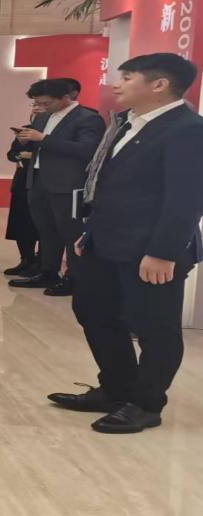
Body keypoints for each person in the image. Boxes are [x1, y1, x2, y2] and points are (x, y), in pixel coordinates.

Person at [49, 53, 203, 434]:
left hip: (151, 249)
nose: (116, 85)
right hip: (106, 241)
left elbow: (186, 197)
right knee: (94, 310)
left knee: (155, 326)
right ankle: (117, 388)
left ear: (159, 84)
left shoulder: (187, 129)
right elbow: (108, 186)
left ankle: (146, 403)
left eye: (127, 77)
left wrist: (163, 251)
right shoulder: (129, 124)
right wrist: (89, 232)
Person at [9, 79, 105, 296]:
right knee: (46, 229)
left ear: (66, 97)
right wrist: (25, 140)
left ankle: (74, 277)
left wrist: (43, 138)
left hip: (67, 183)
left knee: (70, 233)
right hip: (38, 180)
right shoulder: (43, 117)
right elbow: (39, 145)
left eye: (46, 103)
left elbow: (87, 150)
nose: (41, 107)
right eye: (38, 103)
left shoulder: (88, 118)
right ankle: (48, 272)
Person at [4, 102, 45, 276]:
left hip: (43, 181)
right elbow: (11, 154)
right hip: (22, 181)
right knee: (21, 222)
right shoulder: (26, 129)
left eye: (41, 104)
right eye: (34, 104)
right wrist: (20, 148)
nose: (36, 108)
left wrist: (33, 155)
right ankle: (26, 259)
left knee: (41, 225)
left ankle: (42, 262)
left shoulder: (53, 133)